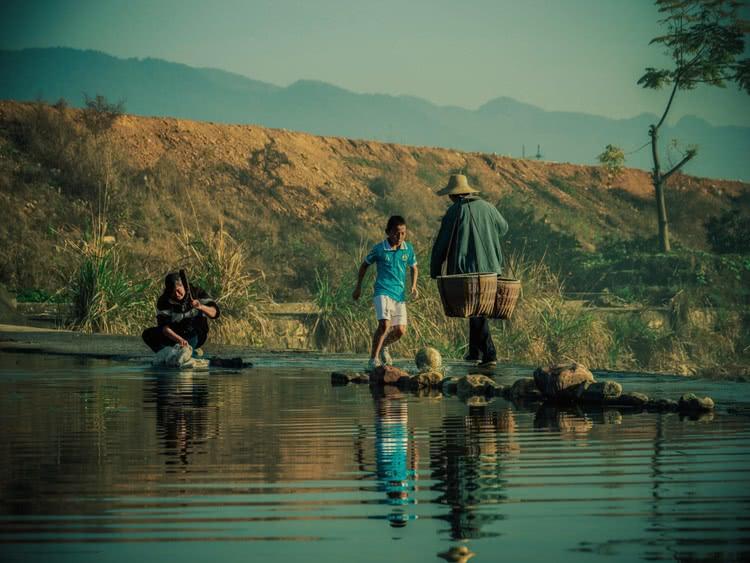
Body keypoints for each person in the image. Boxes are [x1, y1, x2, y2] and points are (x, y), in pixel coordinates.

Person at [430, 174, 508, 368]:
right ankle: (475, 352)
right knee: (476, 310)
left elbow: (442, 244)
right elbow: (504, 228)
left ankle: (490, 353)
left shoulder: (454, 212)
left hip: (467, 270)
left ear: (453, 196)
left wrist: (435, 268)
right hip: (491, 268)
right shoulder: (489, 208)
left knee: (476, 309)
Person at [352, 215, 418, 371]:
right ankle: (373, 359)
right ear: (388, 232)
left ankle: (384, 346)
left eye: (403, 233)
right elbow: (364, 266)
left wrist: (414, 286)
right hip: (382, 291)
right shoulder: (379, 249)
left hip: (399, 294)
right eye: (396, 233)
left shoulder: (407, 248)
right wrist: (358, 287)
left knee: (400, 330)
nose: (400, 236)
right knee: (384, 325)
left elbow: (414, 267)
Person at [142, 272, 220, 354]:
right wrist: (180, 340)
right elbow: (164, 328)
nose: (176, 294)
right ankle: (166, 354)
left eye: (178, 290)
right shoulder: (164, 301)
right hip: (176, 335)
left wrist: (201, 307)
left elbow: (215, 313)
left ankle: (191, 351)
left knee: (188, 343)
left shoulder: (196, 292)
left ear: (184, 286)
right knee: (147, 334)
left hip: (196, 333)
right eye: (172, 292)